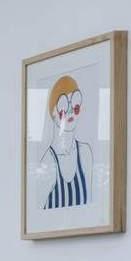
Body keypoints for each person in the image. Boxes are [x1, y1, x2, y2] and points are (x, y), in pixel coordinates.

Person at [34, 74, 91, 211]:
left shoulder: (85, 152)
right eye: (64, 105)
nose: (71, 110)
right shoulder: (47, 161)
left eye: (75, 103)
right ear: (53, 113)